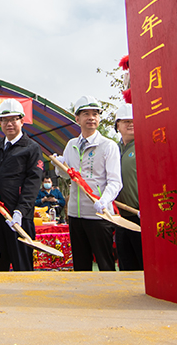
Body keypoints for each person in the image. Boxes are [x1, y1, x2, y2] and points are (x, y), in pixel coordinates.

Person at [0, 98, 43, 272]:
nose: (9, 123)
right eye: (4, 119)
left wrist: (21, 210)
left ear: (22, 120)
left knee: (22, 264)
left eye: (13, 119)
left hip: (17, 218)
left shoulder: (31, 148)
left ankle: (26, 298)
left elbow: (33, 182)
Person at [56, 96, 122, 271]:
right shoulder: (71, 145)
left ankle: (109, 296)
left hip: (98, 214)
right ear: (77, 119)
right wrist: (59, 165)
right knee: (81, 263)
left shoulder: (108, 146)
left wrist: (104, 200)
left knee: (104, 261)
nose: (91, 118)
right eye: (86, 114)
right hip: (76, 215)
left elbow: (115, 181)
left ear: (99, 118)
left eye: (95, 114)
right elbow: (67, 175)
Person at [113, 103, 142, 271]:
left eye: (133, 121)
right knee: (125, 263)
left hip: (140, 215)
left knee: (143, 263)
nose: (130, 124)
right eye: (125, 121)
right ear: (118, 125)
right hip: (120, 217)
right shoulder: (113, 149)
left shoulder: (145, 145)